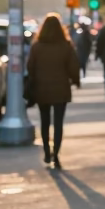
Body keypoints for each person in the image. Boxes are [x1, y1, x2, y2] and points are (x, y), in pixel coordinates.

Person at [26, 13, 81, 170]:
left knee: (44, 122)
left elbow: (30, 67)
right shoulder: (65, 46)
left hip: (42, 89)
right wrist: (75, 80)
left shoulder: (37, 47)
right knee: (58, 123)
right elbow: (73, 66)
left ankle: (46, 151)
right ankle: (56, 154)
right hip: (61, 89)